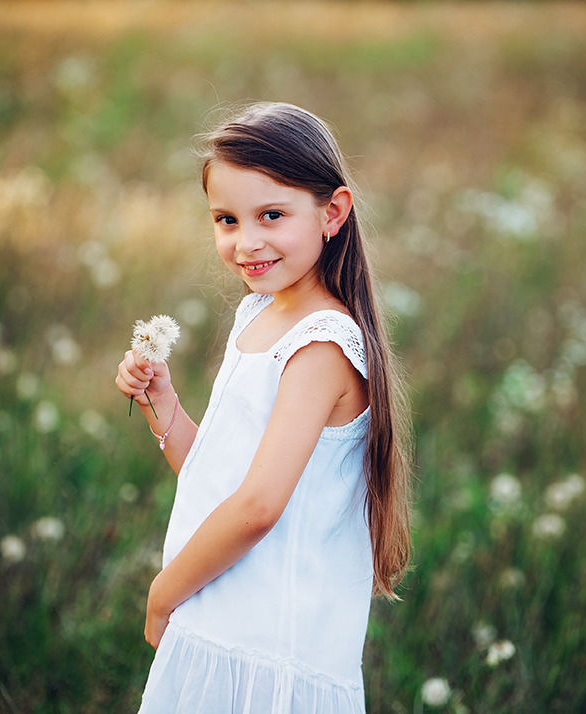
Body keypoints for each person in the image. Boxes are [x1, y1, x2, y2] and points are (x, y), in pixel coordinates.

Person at [115, 101, 412, 713]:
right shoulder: (260, 315)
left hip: (268, 655)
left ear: (332, 212)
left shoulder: (322, 344)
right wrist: (162, 404)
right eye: (226, 219)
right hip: (224, 623)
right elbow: (223, 480)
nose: (246, 242)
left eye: (271, 215)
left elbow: (256, 508)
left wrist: (164, 592)